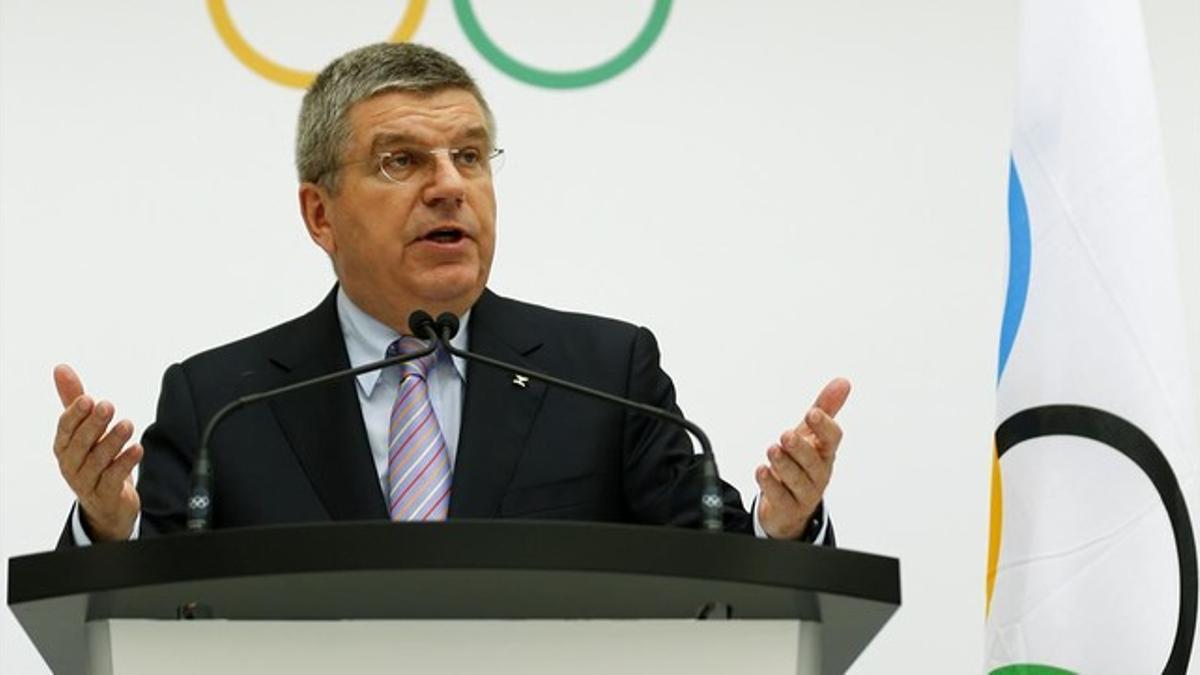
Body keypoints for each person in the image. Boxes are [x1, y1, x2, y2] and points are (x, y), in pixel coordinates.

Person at [51, 42, 849, 547]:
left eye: (470, 156)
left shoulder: (608, 374)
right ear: (319, 213)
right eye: (402, 161)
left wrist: (780, 531)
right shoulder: (222, 402)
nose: (449, 187)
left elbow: (710, 570)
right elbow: (145, 617)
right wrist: (109, 529)